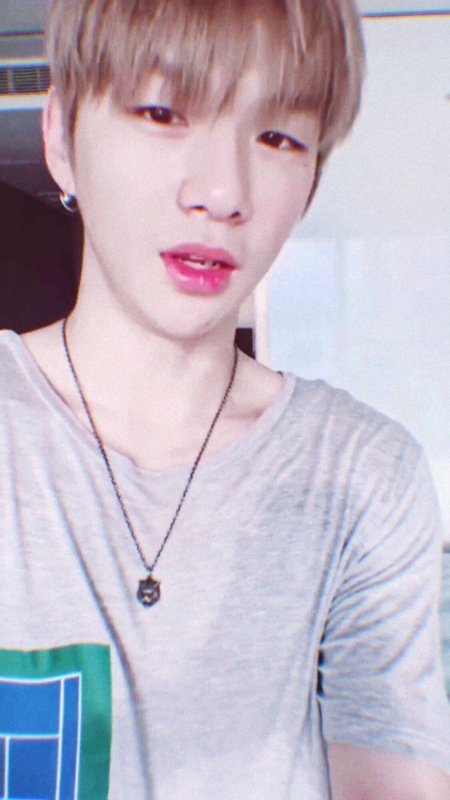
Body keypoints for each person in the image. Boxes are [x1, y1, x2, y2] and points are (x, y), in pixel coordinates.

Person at [0, 0, 449, 797]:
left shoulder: (361, 478)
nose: (222, 191)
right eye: (162, 113)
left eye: (278, 137)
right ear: (62, 137)